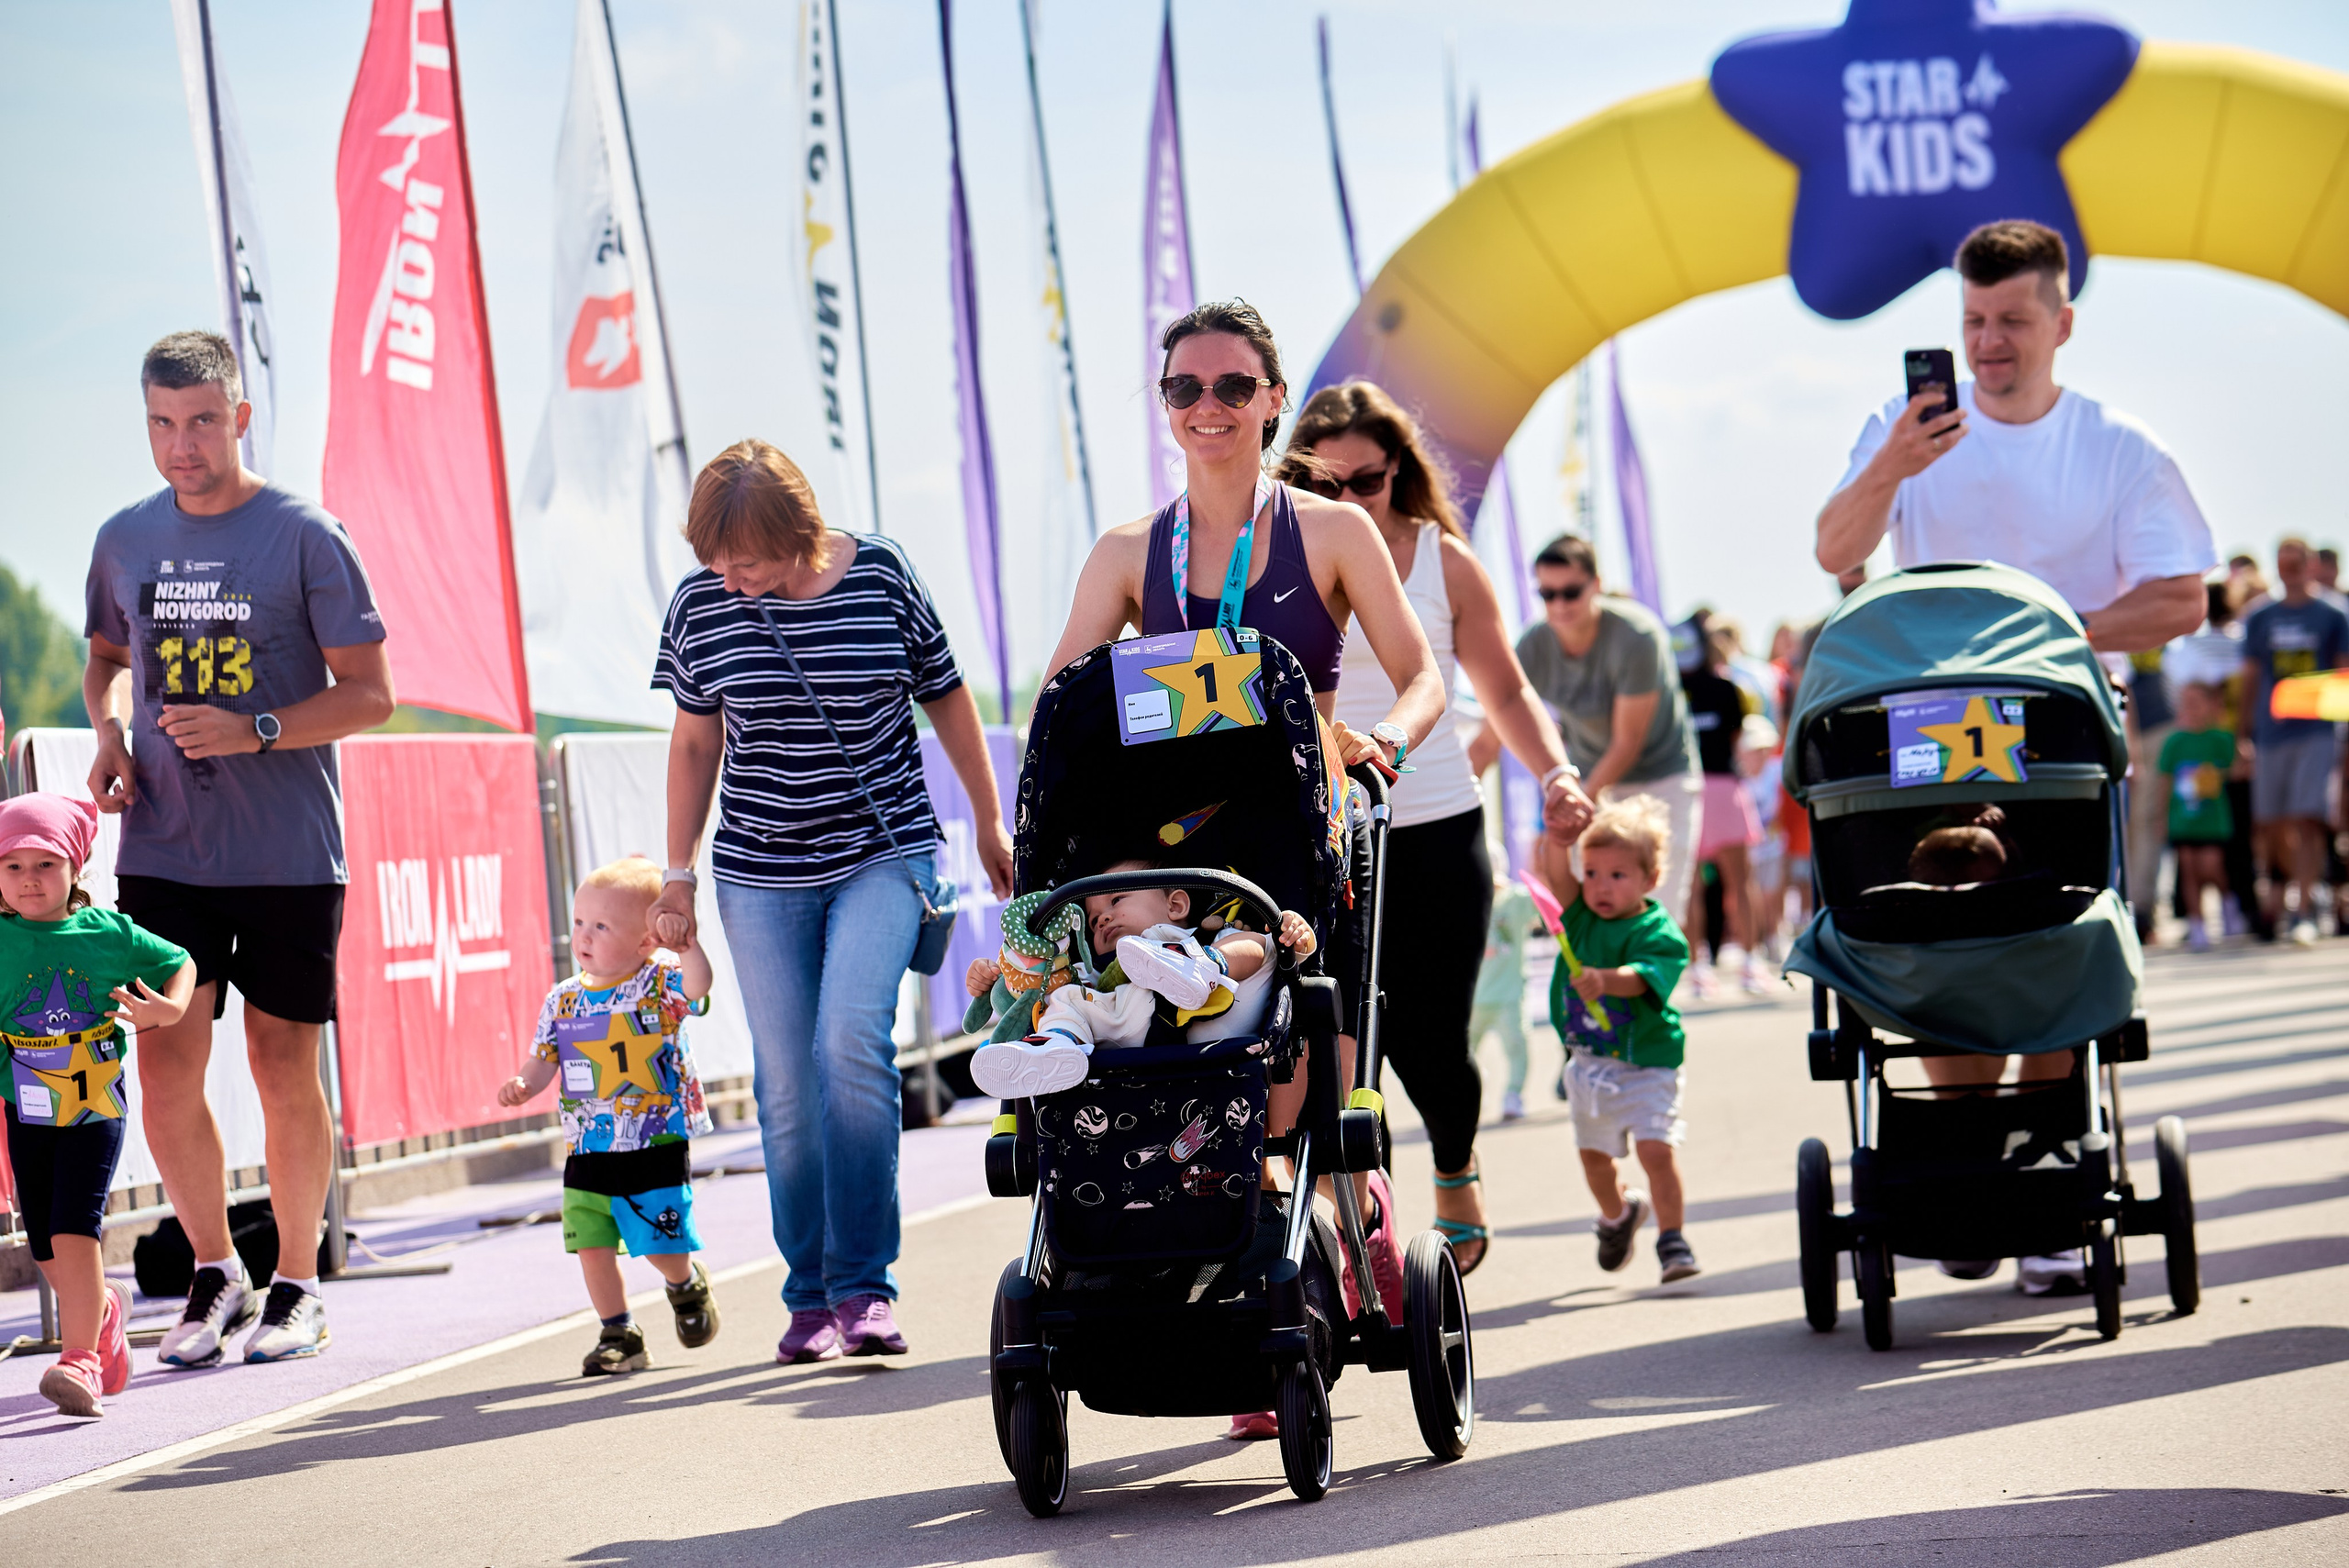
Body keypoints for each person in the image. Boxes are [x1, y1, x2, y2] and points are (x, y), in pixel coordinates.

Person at [649, 439, 1014, 1366]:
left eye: (746, 562)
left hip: (880, 851)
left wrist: (988, 821)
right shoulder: (701, 605)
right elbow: (696, 746)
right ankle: (807, 1292)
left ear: (799, 536)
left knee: (848, 1040)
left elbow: (948, 697)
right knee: (784, 1083)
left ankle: (863, 1286)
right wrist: (676, 874)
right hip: (758, 867)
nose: (728, 580)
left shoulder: (881, 572)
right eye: (714, 562)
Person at [83, 331, 395, 1366]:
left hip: (289, 850)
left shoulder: (305, 533)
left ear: (240, 416)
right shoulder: (124, 537)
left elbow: (371, 693)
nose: (183, 445)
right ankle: (215, 1270)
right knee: (165, 1054)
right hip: (165, 846)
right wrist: (113, 733)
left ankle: (299, 1281)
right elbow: (109, 660)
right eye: (164, 424)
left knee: (278, 1061)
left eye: (202, 420)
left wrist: (256, 726)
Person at [1281, 379, 1593, 1273]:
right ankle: (1366, 1230)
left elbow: (1504, 689)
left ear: (1399, 473)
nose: (1347, 502)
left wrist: (1557, 775)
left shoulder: (1443, 561)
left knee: (1428, 1040)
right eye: (1324, 483)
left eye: (1366, 481)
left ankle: (1454, 1160)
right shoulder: (1274, 562)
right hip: (1321, 837)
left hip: (1432, 825)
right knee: (1331, 1035)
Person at [2, 794, 196, 1417]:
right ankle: (106, 1311)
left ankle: (79, 1358)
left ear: (76, 869)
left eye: (45, 864)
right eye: (13, 866)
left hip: (92, 1107)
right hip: (26, 1108)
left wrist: (170, 1007)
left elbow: (181, 961)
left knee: (72, 1227)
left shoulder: (107, 932)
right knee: (46, 1246)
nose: (30, 880)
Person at [498, 857, 719, 1376]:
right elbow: (545, 1056)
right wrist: (525, 1082)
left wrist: (686, 948)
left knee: (658, 1245)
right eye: (579, 922)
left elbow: (699, 987)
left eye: (602, 925)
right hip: (588, 1146)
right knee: (591, 1243)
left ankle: (683, 1281)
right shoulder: (563, 999)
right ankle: (619, 1331)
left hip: (653, 1143)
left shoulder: (660, 983)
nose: (584, 936)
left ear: (646, 941)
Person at [964, 861, 1317, 1095]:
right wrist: (995, 976)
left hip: (1216, 1013)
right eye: (1093, 920)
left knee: (1262, 946)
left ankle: (1199, 967)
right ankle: (1054, 1047)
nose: (1102, 919)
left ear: (1175, 906)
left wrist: (1296, 932)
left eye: (1117, 900)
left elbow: (1293, 953)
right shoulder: (1104, 977)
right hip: (1131, 1030)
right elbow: (1039, 989)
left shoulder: (1205, 934)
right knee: (1065, 998)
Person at [1531, 797, 1699, 1284]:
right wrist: (1557, 838)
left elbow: (1645, 978)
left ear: (1650, 878)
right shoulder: (1579, 915)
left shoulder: (1658, 929)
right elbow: (1555, 873)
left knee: (1656, 1151)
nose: (1601, 886)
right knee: (1594, 1160)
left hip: (1647, 1061)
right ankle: (1618, 1214)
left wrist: (1606, 979)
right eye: (1592, 872)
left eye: (1618, 875)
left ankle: (1673, 1240)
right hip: (1588, 1064)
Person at [1516, 534, 1703, 934]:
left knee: (1656, 910)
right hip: (1592, 784)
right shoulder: (1533, 644)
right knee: (1593, 909)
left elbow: (1627, 742)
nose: (1559, 605)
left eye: (1571, 592)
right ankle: (1605, 994)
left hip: (1661, 778)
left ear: (1596, 585)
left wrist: (1572, 806)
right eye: (1547, 594)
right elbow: (1498, 726)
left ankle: (1649, 994)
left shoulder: (1637, 635)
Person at [2238, 539, 2348, 946]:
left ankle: (2304, 906)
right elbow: (2250, 677)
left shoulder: (2333, 614)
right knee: (2270, 822)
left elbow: (2343, 675)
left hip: (2317, 731)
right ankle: (2279, 898)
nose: (2290, 571)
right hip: (2270, 733)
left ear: (2308, 564)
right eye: (2282, 564)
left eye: (2296, 563)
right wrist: (2242, 734)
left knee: (2308, 817)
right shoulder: (2261, 616)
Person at [1680, 623, 1765, 995]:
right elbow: (1737, 734)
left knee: (1693, 887)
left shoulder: (1675, 691)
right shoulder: (1728, 688)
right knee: (1738, 882)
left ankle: (1701, 968)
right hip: (1718, 788)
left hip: (1693, 790)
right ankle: (1746, 962)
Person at [2158, 683, 2236, 951]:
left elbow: (2235, 770)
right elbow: (2164, 782)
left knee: (2210, 867)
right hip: (2182, 818)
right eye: (2186, 702)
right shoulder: (2174, 741)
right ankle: (2197, 924)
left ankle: (2228, 904)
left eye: (2197, 702)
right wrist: (2161, 818)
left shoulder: (2221, 739)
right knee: (2189, 870)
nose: (2190, 708)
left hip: (2212, 818)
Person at [1472, 875, 1537, 1122]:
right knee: (1464, 1053)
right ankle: (1474, 1094)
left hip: (1509, 996)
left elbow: (1543, 905)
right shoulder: (1468, 898)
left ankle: (1513, 1094)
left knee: (1517, 1046)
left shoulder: (1515, 900)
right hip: (1474, 998)